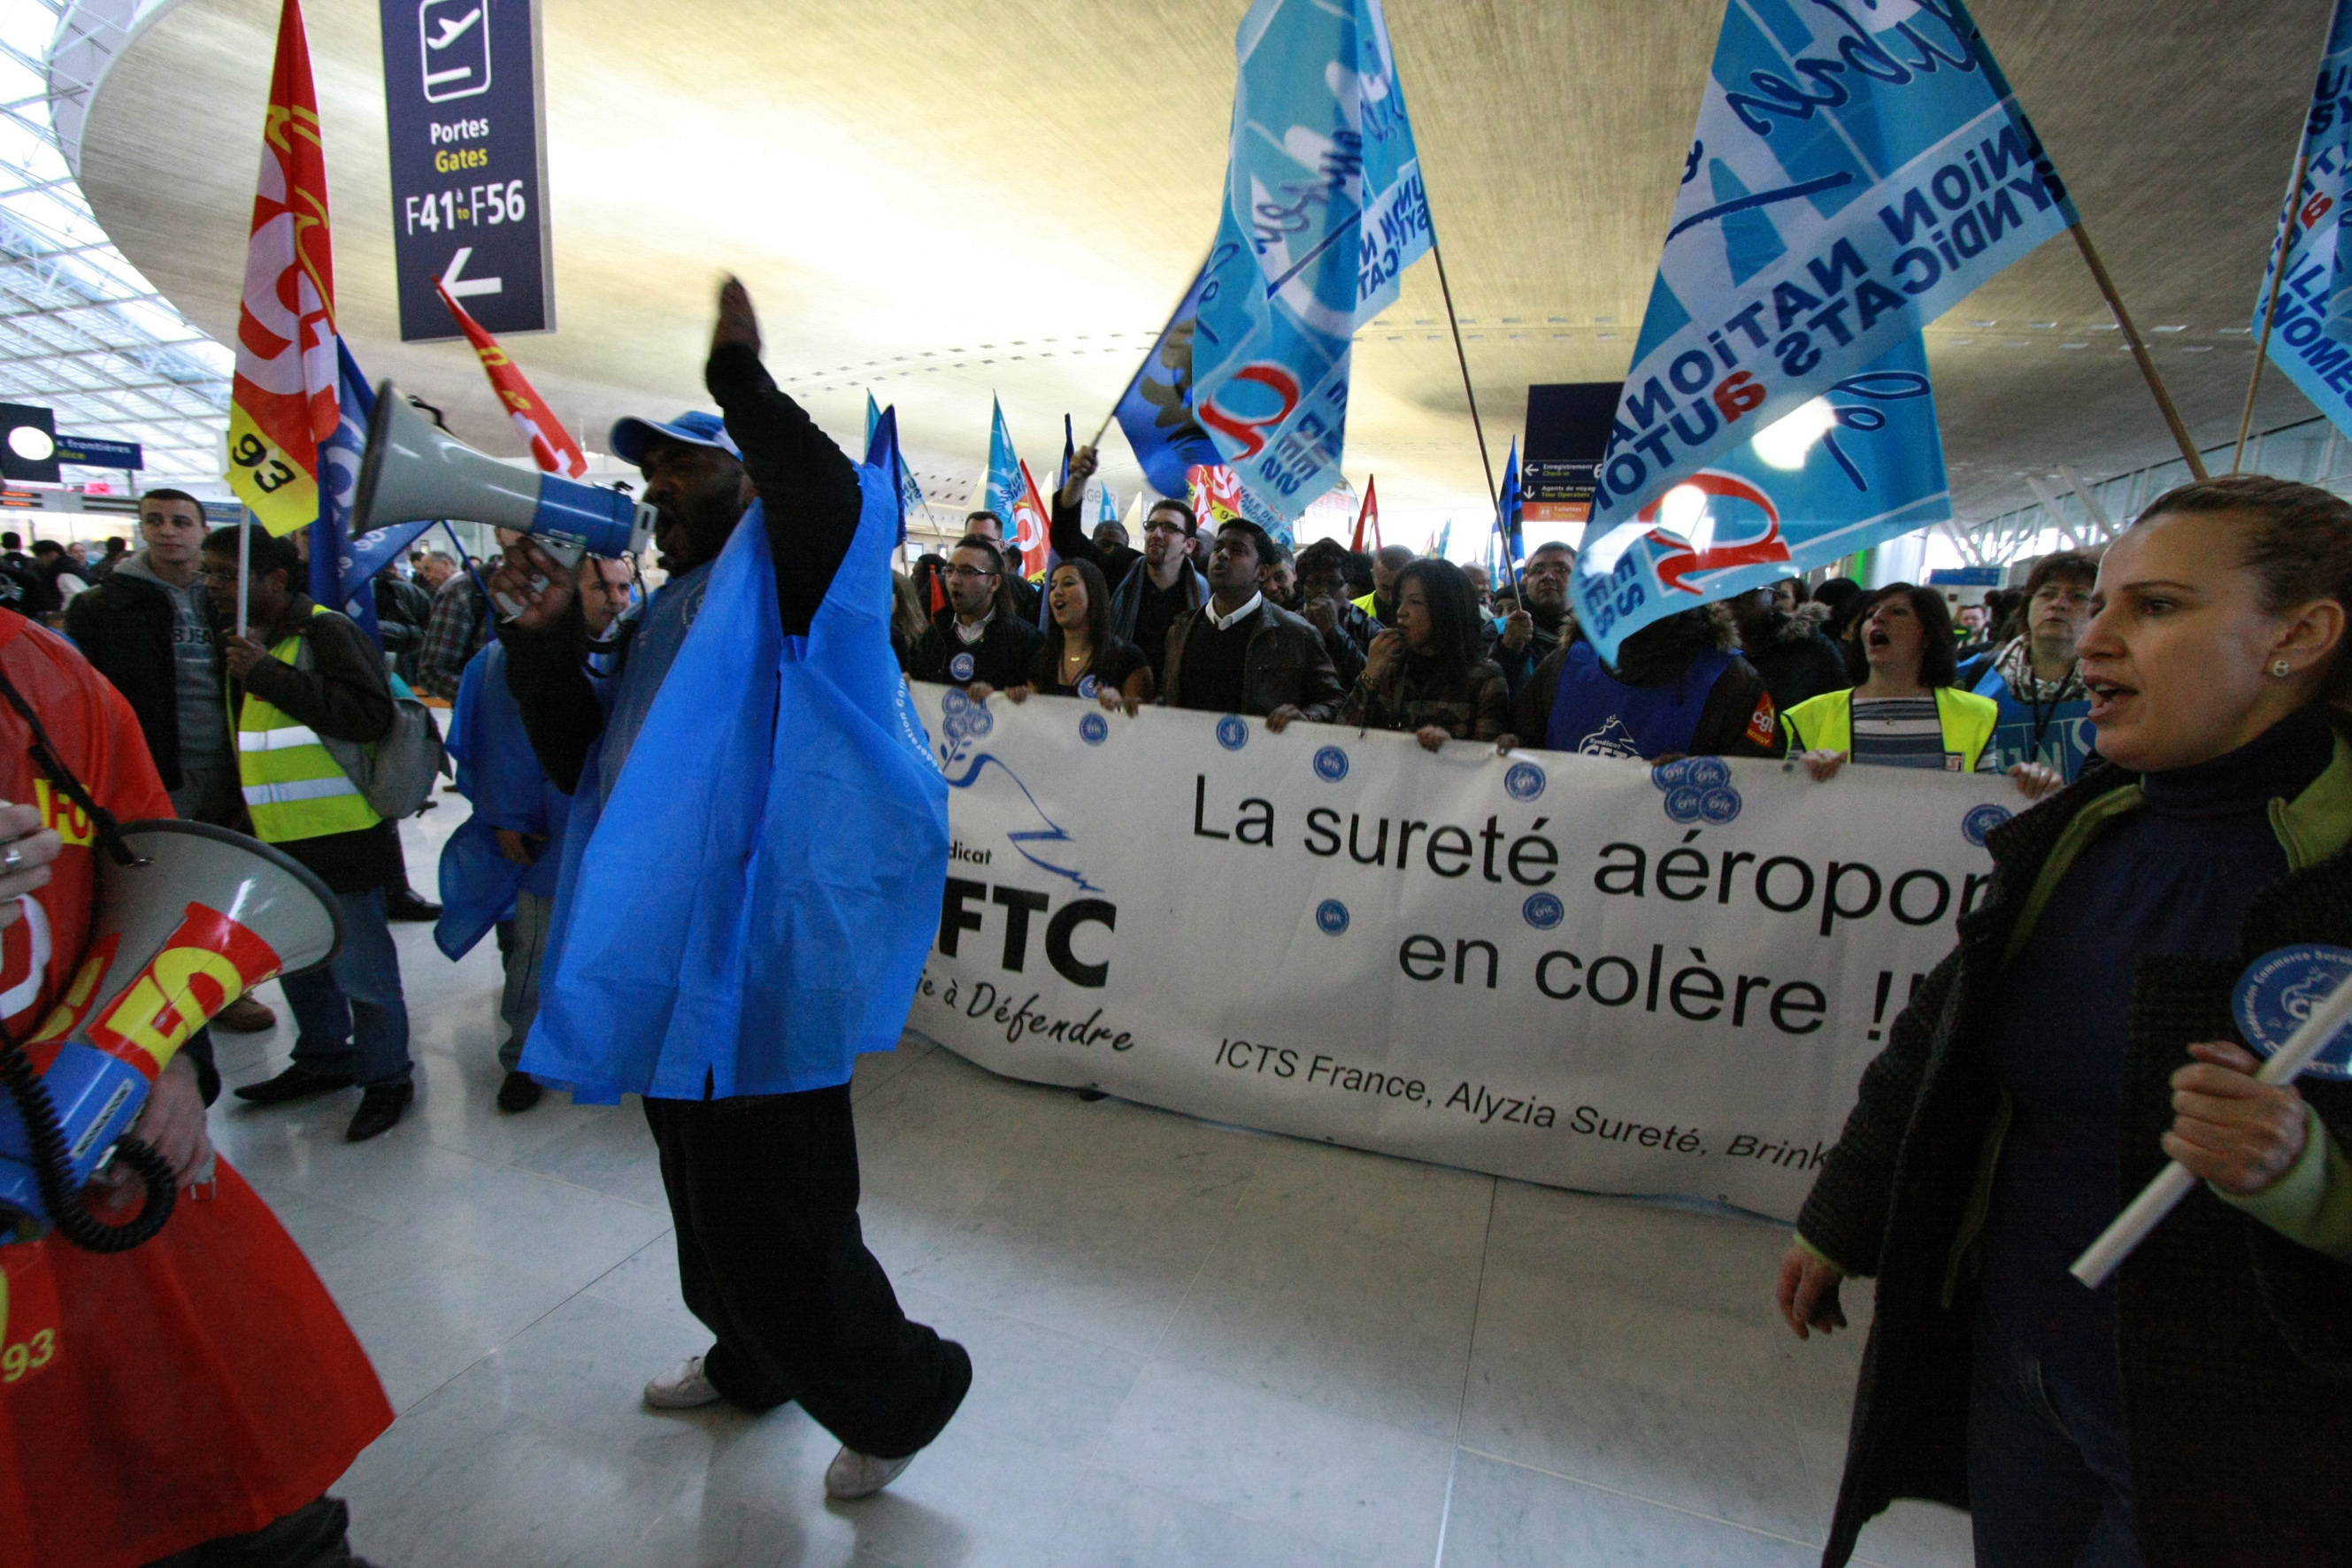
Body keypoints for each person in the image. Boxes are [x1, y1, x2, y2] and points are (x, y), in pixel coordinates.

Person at [1777, 473, 2352, 1567]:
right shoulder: (2082, 832)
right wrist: (1842, 1215)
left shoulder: (2328, 876)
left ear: (2300, 635)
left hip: (2233, 1433)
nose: (2095, 639)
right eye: (2099, 604)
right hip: (2023, 1363)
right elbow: (1940, 1039)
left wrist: (2305, 1174)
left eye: (2157, 606)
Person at [492, 279, 969, 1500]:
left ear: (748, 477)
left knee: (784, 1215)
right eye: (650, 468)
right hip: (674, 955)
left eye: (683, 463)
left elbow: (830, 495)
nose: (657, 485)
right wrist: (544, 646)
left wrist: (742, 388)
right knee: (702, 1196)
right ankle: (752, 1361)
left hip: (765, 960)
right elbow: (587, 765)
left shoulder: (800, 574)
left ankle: (904, 1393)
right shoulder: (670, 611)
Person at [0, 602, 394, 1568]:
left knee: (258, 1507)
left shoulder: (58, 683)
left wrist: (173, 1056)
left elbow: (151, 885)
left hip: (106, 1184)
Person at [207, 527, 417, 1142]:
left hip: (342, 835)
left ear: (274, 579)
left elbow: (368, 716)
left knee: (364, 973)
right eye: (210, 574)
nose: (213, 586)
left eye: (226, 575)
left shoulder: (325, 632)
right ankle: (323, 1058)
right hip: (277, 838)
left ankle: (387, 1077)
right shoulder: (249, 641)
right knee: (298, 961)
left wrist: (267, 674)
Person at [61, 488, 276, 1034]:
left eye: (181, 521)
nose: (167, 530)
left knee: (223, 882)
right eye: (154, 520)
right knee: (154, 888)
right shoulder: (103, 605)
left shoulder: (228, 600)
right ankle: (145, 998)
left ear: (202, 531)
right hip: (152, 766)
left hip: (229, 764)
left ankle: (223, 989)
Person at [438, 553, 633, 1115]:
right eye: (601, 588)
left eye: (624, 588)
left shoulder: (626, 653)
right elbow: (499, 745)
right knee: (536, 950)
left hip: (609, 834)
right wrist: (511, 818)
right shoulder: (509, 658)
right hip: (549, 834)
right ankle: (523, 1058)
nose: (617, 601)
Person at [1784, 583, 2006, 776]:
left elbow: (1986, 802)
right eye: (1870, 614)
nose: (1878, 618)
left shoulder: (1976, 715)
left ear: (1929, 635)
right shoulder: (1812, 715)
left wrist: (2022, 787)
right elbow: (1789, 799)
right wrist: (1804, 776)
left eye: (1898, 612)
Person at [1513, 606, 1781, 760]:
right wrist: (1511, 748)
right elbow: (1524, 737)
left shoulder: (1731, 679)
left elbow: (1760, 783)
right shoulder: (1567, 662)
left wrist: (1702, 779)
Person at [1158, 519, 1342, 729]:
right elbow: (1168, 699)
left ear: (1261, 573)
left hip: (1263, 749)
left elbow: (1334, 700)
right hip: (1189, 747)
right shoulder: (1181, 630)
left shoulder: (1296, 633)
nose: (1223, 554)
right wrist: (1137, 709)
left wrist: (1307, 718)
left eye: (1237, 550)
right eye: (1218, 547)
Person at [1050, 447, 1208, 678]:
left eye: (1169, 528)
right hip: (1114, 688)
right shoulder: (1121, 567)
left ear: (1189, 545)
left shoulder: (1205, 591)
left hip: (1177, 696)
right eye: (1151, 526)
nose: (1156, 534)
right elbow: (1066, 539)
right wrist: (1078, 479)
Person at [1956, 550, 2101, 781]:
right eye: (2047, 594)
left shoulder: (2113, 687)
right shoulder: (1969, 676)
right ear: (2028, 606)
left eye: (2078, 596)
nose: (2059, 604)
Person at [1341, 558, 1508, 749]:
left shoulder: (1485, 678)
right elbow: (1339, 741)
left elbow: (1488, 759)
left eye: (1415, 602)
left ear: (1447, 608)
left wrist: (1453, 749)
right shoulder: (1390, 668)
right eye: (1400, 601)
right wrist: (1369, 676)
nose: (1401, 612)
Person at [1005, 557, 1152, 712]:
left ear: (1093, 593)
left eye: (1068, 583)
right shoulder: (1042, 660)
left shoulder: (1127, 658)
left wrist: (1120, 706)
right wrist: (1020, 700)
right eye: (1053, 586)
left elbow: (1142, 720)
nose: (1057, 592)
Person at [903, 535, 1042, 693]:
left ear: (994, 583)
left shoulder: (1024, 640)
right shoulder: (935, 634)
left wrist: (1003, 696)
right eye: (950, 570)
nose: (954, 580)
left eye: (968, 572)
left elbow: (1039, 700)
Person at [1727, 579, 1849, 719]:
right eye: (1727, 589)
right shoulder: (1715, 648)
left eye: (1747, 588)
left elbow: (1841, 707)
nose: (1734, 597)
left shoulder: (1809, 647)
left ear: (1773, 597)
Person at [1493, 541, 1575, 696]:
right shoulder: (1496, 630)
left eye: (1562, 569)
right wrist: (1507, 650)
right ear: (1526, 580)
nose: (1548, 576)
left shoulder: (1598, 635)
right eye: (1538, 570)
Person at [1293, 538, 1377, 687]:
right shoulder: (1289, 624)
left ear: (1348, 588)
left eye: (1333, 583)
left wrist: (1334, 631)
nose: (1323, 591)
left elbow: (1374, 678)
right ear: (1302, 587)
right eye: (1315, 582)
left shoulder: (1368, 628)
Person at [415, 546, 492, 702]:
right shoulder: (462, 591)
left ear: (445, 564)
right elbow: (432, 671)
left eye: (428, 569)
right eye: (423, 571)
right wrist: (487, 697)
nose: (425, 575)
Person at [960, 508, 1040, 620]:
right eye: (971, 539)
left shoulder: (1021, 589)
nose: (977, 544)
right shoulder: (951, 583)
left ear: (1001, 546)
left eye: (985, 539)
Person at [1353, 542, 1416, 627]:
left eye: (1398, 588)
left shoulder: (1427, 614)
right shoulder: (1353, 610)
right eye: (1385, 588)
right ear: (1373, 575)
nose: (1391, 597)